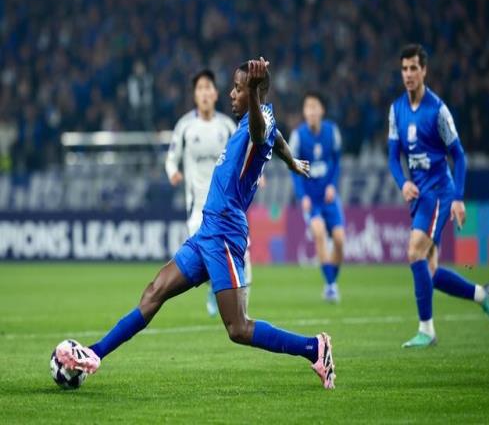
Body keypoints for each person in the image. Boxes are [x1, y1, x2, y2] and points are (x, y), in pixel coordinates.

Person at [56, 58, 336, 390]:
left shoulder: (255, 123)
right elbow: (277, 139)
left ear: (253, 92)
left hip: (225, 233)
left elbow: (263, 134)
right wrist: (291, 162)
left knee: (238, 328)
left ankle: (314, 348)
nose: (231, 94)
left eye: (238, 88)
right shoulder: (258, 118)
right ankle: (94, 353)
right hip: (208, 230)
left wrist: (255, 97)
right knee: (155, 290)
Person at [388, 44, 489, 348]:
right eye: (404, 69)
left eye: (414, 68)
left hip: (438, 192)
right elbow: (392, 156)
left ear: (424, 71)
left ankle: (427, 329)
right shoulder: (396, 110)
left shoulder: (438, 110)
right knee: (431, 271)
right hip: (418, 195)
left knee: (414, 252)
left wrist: (459, 197)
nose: (408, 74)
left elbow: (459, 156)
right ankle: (484, 295)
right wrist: (402, 182)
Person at [165, 69, 253, 317]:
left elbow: (245, 154)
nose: (204, 93)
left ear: (215, 94)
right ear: (195, 95)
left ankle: (242, 316)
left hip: (227, 207)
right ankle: (215, 288)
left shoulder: (227, 125)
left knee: (242, 260)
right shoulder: (185, 126)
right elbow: (171, 158)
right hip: (198, 210)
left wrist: (256, 174)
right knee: (207, 262)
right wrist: (173, 171)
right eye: (200, 89)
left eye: (208, 88)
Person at [289, 92, 345, 302]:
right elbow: (294, 169)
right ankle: (330, 286)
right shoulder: (298, 136)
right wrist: (302, 195)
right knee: (320, 233)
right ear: (304, 112)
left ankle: (331, 282)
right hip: (311, 200)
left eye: (315, 107)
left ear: (322, 110)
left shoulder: (332, 131)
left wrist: (332, 185)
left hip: (329, 198)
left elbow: (337, 161)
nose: (311, 111)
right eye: (308, 107)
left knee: (339, 240)